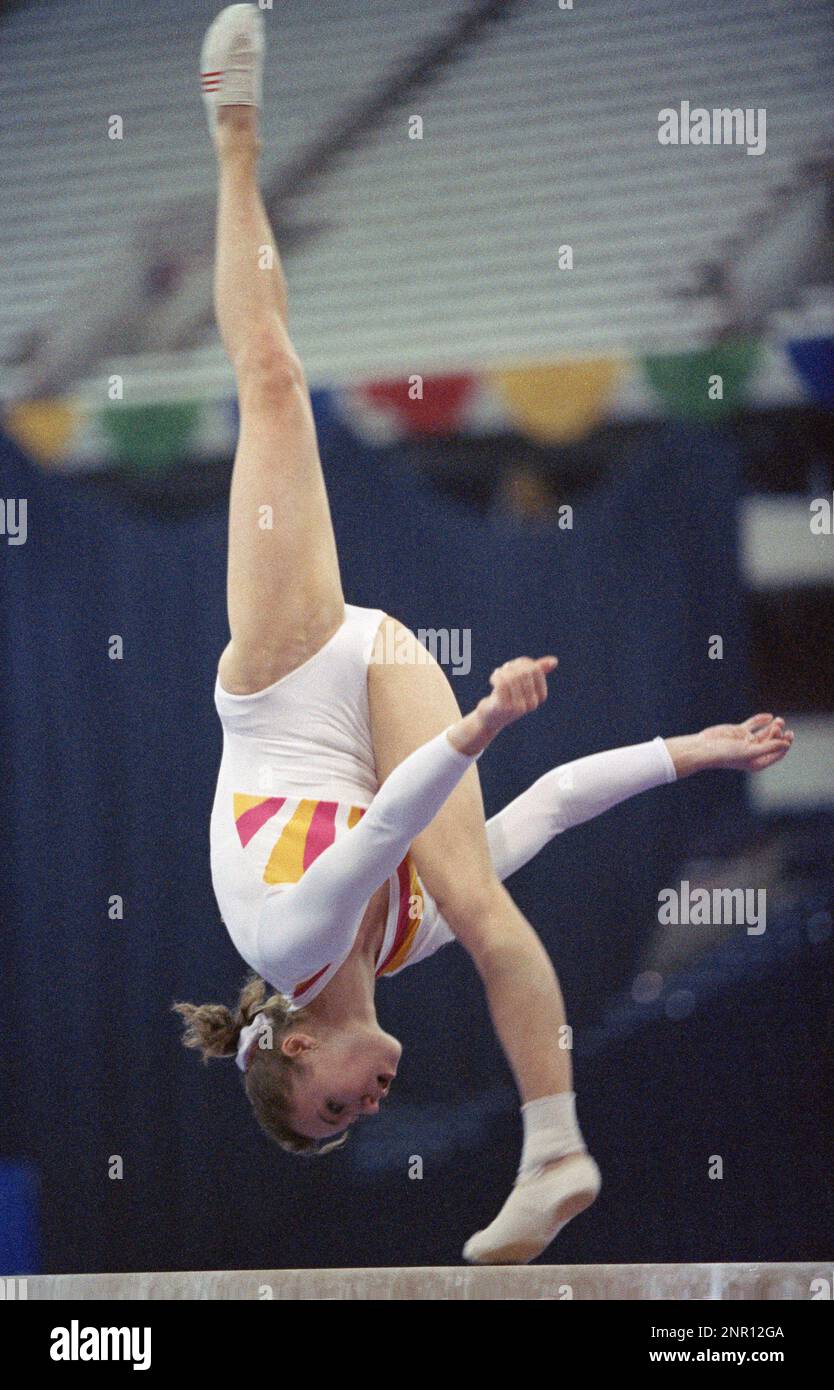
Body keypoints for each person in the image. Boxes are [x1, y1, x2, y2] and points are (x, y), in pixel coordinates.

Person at [175, 5, 794, 1265]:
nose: (370, 1101)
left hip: (291, 680)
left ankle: (232, 134)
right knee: (480, 897)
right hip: (383, 683)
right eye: (360, 1118)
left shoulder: (288, 946)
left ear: (295, 1042)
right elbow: (556, 802)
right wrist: (699, 747)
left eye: (335, 1101)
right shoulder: (410, 939)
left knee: (276, 385)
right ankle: (556, 1148)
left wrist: (478, 723)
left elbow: (389, 823)